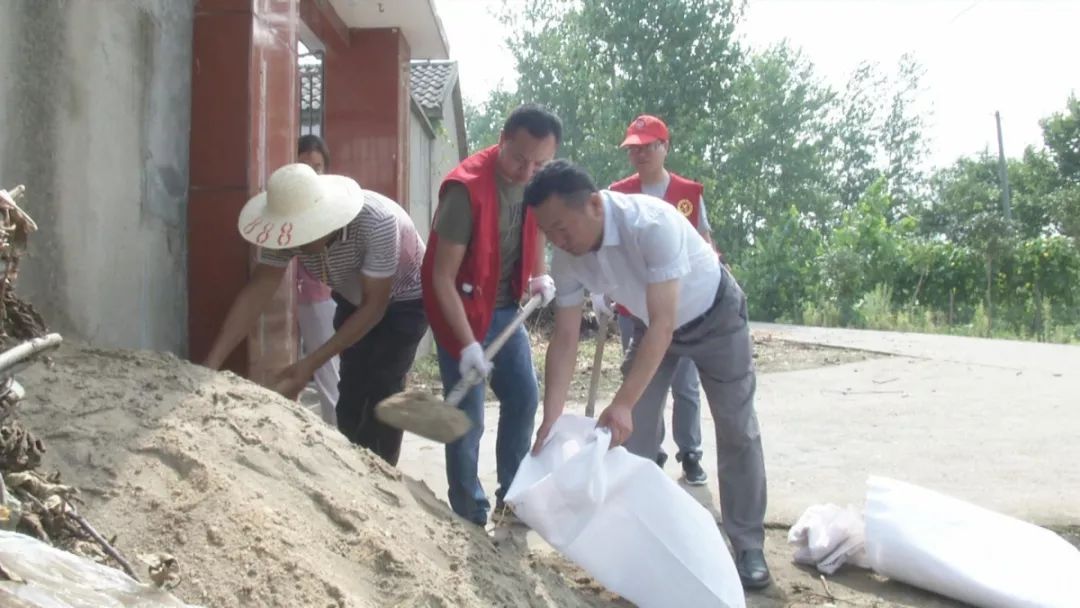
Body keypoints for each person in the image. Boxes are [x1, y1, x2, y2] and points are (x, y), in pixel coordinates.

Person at [526, 160, 771, 590]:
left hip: (715, 318)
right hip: (649, 322)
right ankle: (644, 550)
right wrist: (552, 414)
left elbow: (664, 322)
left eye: (563, 228)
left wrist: (621, 402)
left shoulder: (652, 223)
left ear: (595, 206)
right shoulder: (566, 256)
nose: (558, 242)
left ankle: (748, 544)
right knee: (629, 438)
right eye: (549, 233)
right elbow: (564, 339)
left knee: (737, 430)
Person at [203, 163, 428, 466]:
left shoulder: (377, 222)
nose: (295, 244)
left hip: (405, 299)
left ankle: (381, 477)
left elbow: (375, 308)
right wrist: (211, 364)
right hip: (352, 294)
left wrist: (307, 365)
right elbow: (259, 289)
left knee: (382, 392)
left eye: (302, 234)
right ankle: (349, 469)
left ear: (324, 220)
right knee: (350, 390)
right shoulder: (288, 232)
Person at [421, 103, 562, 526]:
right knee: (467, 419)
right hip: (460, 312)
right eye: (520, 158)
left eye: (539, 163)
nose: (527, 171)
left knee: (523, 397)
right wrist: (466, 345)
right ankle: (469, 511)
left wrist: (540, 274)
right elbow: (440, 277)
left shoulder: (537, 180)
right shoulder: (465, 191)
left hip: (503, 310)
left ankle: (513, 498)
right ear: (502, 139)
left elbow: (535, 223)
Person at [594, 114, 714, 485]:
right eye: (634, 148)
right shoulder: (618, 193)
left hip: (683, 308)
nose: (641, 154)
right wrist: (601, 290)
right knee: (643, 381)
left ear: (666, 147)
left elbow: (706, 241)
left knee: (686, 385)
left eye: (649, 146)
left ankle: (690, 452)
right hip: (635, 307)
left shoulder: (689, 194)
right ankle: (648, 450)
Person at [294, 134, 340, 426]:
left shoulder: (333, 203)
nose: (313, 173)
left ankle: (339, 435)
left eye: (318, 166)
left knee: (328, 372)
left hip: (320, 295)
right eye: (305, 166)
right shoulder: (289, 201)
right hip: (290, 294)